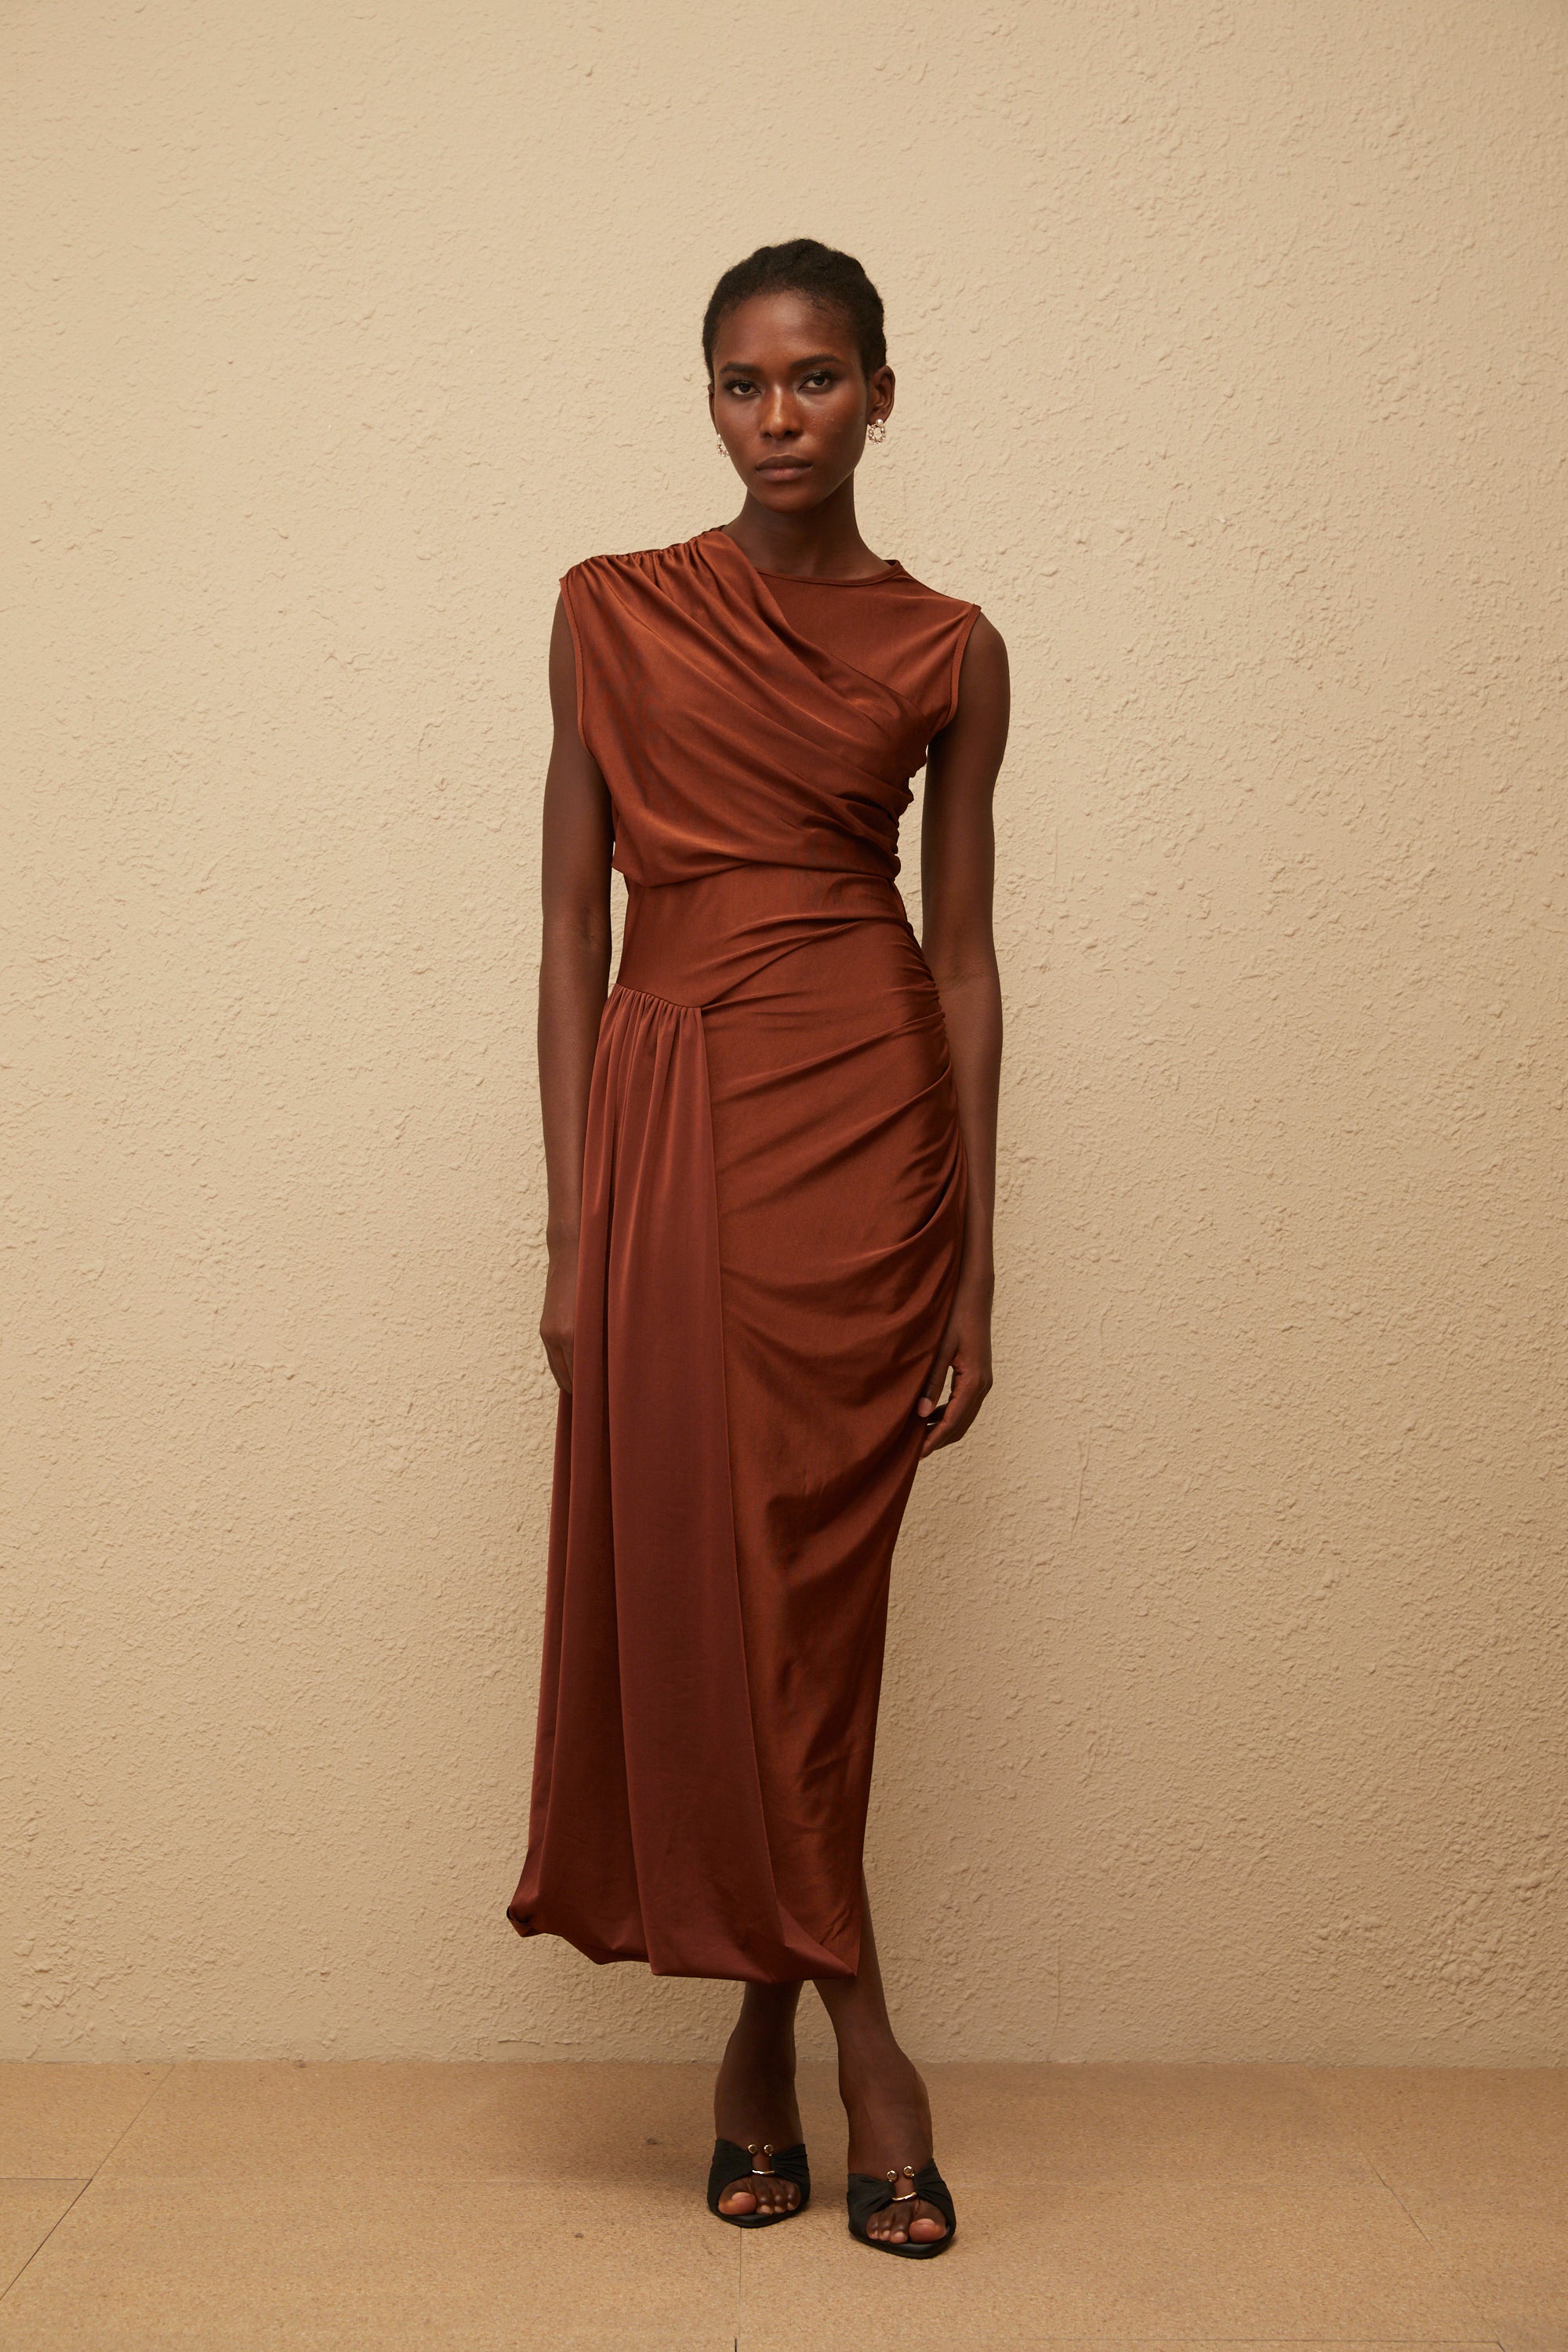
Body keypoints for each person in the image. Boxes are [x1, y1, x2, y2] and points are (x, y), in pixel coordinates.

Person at [507, 238, 1008, 2258]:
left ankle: (760, 2043)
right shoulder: (611, 611)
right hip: (675, 1117)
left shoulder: (952, 646)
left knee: (816, 1603)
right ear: (708, 399)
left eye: (814, 378)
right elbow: (571, 925)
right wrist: (573, 1223)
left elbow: (961, 958)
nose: (778, 416)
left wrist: (978, 1259)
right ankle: (858, 2043)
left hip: (867, 1129)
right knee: (718, 1591)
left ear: (882, 389)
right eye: (742, 381)